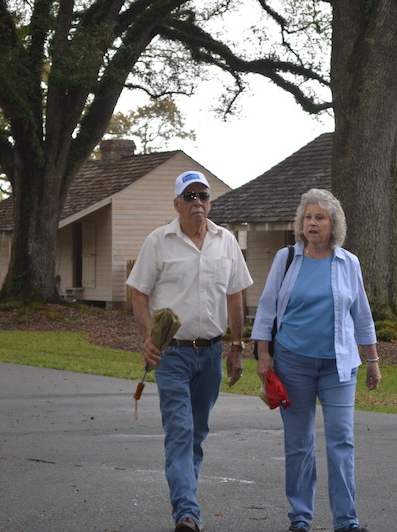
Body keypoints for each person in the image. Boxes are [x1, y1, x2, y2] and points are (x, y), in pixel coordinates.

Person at [126, 170, 253, 532]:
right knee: (180, 431)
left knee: (196, 434)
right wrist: (147, 338)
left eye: (204, 196)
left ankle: (186, 502)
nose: (198, 202)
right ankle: (187, 514)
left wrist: (237, 347)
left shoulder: (225, 241)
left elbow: (235, 295)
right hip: (172, 355)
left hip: (211, 354)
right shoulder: (158, 241)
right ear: (177, 204)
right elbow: (139, 291)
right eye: (190, 196)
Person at [252, 188, 380, 532]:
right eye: (308, 217)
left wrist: (372, 360)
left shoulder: (348, 263)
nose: (312, 223)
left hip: (339, 366)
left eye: (320, 218)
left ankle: (346, 521)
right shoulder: (287, 259)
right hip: (293, 364)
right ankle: (300, 517)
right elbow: (266, 309)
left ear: (333, 224)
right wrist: (264, 354)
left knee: (341, 441)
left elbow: (362, 315)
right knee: (298, 442)